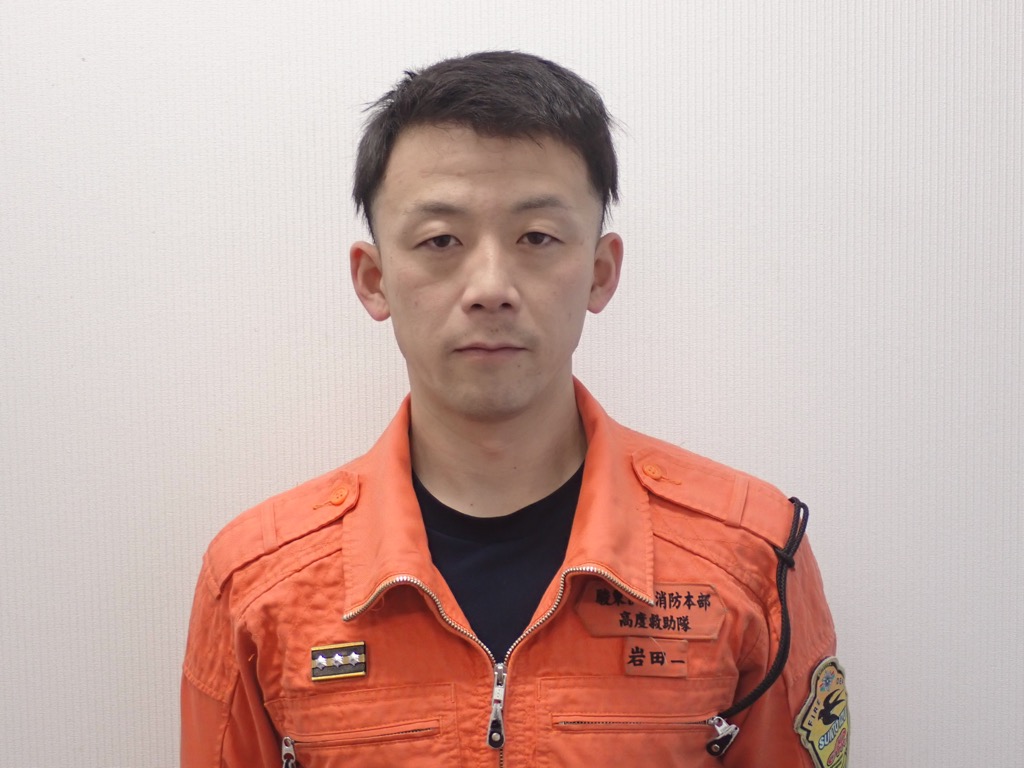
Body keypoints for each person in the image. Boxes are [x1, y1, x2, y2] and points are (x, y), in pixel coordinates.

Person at [181, 51, 847, 768]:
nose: (490, 287)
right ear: (374, 280)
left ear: (600, 272)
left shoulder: (753, 556)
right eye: (441, 241)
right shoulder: (257, 584)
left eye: (537, 238)